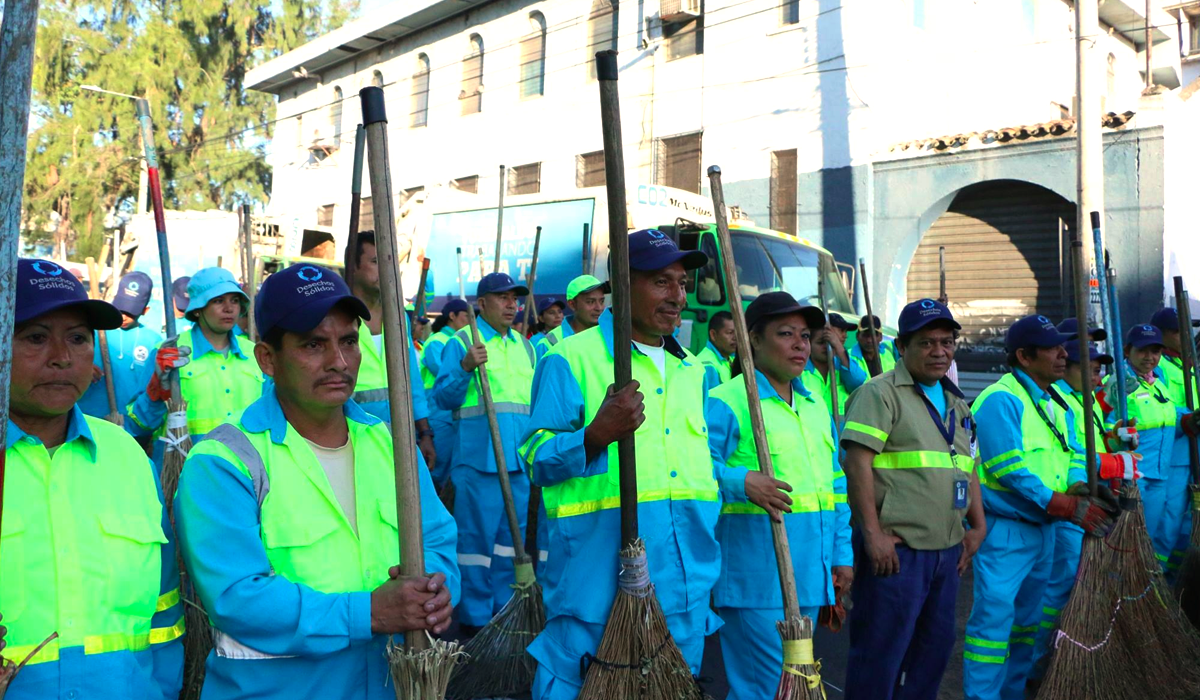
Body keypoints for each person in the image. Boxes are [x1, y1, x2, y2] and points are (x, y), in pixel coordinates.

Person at [173, 262, 459, 700]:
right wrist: (369, 613)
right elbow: (238, 597)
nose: (339, 362)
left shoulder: (391, 445)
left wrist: (438, 590)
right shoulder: (223, 462)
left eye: (348, 341)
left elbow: (437, 538)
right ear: (268, 358)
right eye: (313, 345)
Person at [519, 229, 722, 700]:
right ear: (624, 286)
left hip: (684, 590)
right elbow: (534, 457)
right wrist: (593, 436)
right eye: (662, 283)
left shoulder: (695, 370)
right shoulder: (572, 359)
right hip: (597, 587)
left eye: (682, 283)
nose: (678, 296)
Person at [1, 258, 184, 699]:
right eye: (36, 337)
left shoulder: (126, 456)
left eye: (78, 339)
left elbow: (163, 613)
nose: (62, 357)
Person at [964, 315, 1120, 700]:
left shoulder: (1054, 402)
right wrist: (1065, 504)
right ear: (1023, 355)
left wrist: (1082, 487)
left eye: (1060, 347)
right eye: (1051, 348)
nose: (1062, 354)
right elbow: (1010, 470)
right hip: (1006, 529)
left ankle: (1014, 692)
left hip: (1043, 527)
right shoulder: (1001, 399)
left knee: (1026, 623)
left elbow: (1067, 458)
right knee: (993, 625)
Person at [705, 292, 851, 700]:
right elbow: (695, 471)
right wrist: (740, 481)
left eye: (805, 335)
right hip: (756, 579)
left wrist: (840, 555)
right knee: (764, 689)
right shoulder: (728, 401)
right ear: (752, 339)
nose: (800, 345)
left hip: (808, 572)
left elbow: (835, 483)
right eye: (785, 334)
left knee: (795, 686)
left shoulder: (814, 401)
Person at [840, 298, 985, 700]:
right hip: (898, 552)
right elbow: (857, 466)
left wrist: (978, 525)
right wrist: (873, 535)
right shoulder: (880, 393)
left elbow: (966, 465)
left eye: (946, 342)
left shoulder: (956, 402)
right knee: (880, 654)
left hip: (946, 551)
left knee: (933, 652)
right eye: (926, 343)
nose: (939, 352)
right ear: (901, 347)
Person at [433, 272, 538, 634]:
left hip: (519, 463)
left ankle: (504, 616)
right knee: (475, 547)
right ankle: (475, 622)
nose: (512, 305)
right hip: (479, 462)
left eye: (515, 298)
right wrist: (464, 367)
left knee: (512, 546)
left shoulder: (527, 347)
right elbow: (443, 398)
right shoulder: (464, 341)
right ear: (482, 304)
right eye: (503, 298)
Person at [1033, 334, 1139, 676]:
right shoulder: (1060, 401)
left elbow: (1087, 443)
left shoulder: (1082, 400)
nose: (1097, 378)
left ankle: (1054, 654)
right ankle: (1039, 662)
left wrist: (1112, 440)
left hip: (1082, 502)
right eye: (1090, 369)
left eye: (1098, 370)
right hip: (1068, 503)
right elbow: (1074, 454)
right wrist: (1111, 464)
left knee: (1067, 583)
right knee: (1058, 586)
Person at [126, 267, 265, 461]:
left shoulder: (255, 354)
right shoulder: (167, 353)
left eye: (234, 300)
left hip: (246, 472)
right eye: (218, 301)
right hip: (183, 473)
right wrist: (155, 393)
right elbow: (137, 426)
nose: (229, 308)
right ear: (198, 309)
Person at [1109, 323, 1199, 577]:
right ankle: (1120, 594)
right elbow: (1104, 426)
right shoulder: (1118, 382)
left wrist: (1189, 419)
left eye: (1155, 351)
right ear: (1128, 351)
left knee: (1150, 540)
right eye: (1143, 351)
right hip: (1133, 478)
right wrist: (1118, 435)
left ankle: (1145, 590)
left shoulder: (1157, 384)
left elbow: (1171, 417)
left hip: (1159, 475)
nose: (1150, 357)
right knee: (1128, 542)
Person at [345, 231, 436, 467]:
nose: (385, 270)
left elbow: (412, 379)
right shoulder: (338, 318)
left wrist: (424, 432)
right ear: (352, 267)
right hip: (350, 438)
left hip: (399, 438)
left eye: (389, 262)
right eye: (375, 262)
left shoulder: (398, 318)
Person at [78, 271, 163, 430]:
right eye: (120, 309)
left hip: (130, 427)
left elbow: (153, 390)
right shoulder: (93, 330)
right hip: (87, 422)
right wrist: (80, 369)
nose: (123, 316)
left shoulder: (153, 341)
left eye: (130, 312)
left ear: (145, 310)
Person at [421, 298, 471, 487]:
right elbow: (445, 373)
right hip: (438, 413)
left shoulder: (462, 341)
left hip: (454, 413)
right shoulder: (437, 341)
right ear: (452, 316)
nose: (469, 321)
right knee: (438, 467)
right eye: (466, 316)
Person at [535, 275, 608, 361]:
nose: (599, 308)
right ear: (572, 304)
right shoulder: (549, 343)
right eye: (590, 302)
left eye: (602, 301)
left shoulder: (610, 336)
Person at [803, 318, 863, 418]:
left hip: (843, 432)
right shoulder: (800, 371)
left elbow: (858, 383)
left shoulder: (844, 365)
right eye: (821, 342)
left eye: (830, 342)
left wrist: (838, 346)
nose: (827, 347)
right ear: (809, 343)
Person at [848, 314, 896, 381]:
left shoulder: (887, 354)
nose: (869, 340)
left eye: (874, 335)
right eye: (865, 335)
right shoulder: (848, 357)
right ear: (857, 336)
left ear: (880, 337)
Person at [696, 310, 736, 386]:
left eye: (738, 333)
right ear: (713, 335)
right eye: (730, 333)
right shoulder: (707, 365)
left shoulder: (730, 358)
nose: (735, 338)